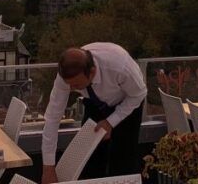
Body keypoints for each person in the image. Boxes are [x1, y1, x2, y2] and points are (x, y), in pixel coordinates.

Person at [41, 43, 147, 182]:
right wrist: (48, 167)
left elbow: (138, 95)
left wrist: (111, 122)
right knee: (88, 159)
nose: (71, 89)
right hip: (95, 102)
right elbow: (52, 118)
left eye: (76, 85)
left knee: (123, 163)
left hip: (127, 103)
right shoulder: (65, 77)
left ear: (92, 72)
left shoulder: (120, 67)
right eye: (69, 85)